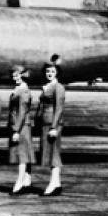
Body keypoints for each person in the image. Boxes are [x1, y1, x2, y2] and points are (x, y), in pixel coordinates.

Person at [37, 63, 66, 195]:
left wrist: (54, 127)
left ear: (57, 73)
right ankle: (56, 183)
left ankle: (53, 184)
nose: (49, 73)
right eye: (47, 71)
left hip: (52, 124)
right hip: (45, 122)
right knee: (49, 153)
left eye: (52, 71)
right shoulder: (47, 86)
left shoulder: (58, 87)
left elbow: (59, 108)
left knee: (54, 153)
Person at [6, 65, 35, 194]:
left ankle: (19, 182)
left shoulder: (23, 91)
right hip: (21, 124)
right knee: (24, 152)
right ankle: (27, 180)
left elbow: (22, 112)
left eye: (17, 75)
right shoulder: (19, 89)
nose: (15, 77)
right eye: (13, 75)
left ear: (23, 75)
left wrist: (16, 130)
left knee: (21, 154)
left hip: (22, 125)